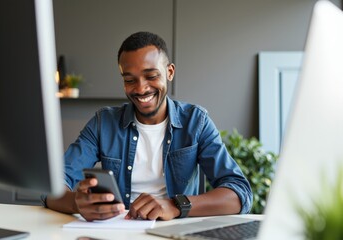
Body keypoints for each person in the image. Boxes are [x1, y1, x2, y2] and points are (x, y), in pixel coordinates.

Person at [45, 31, 252, 221]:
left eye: (151, 76)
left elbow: (239, 193)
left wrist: (175, 205)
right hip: (117, 232)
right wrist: (76, 203)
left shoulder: (196, 122)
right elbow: (52, 184)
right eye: (129, 80)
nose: (141, 88)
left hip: (174, 231)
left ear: (169, 72)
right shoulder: (103, 123)